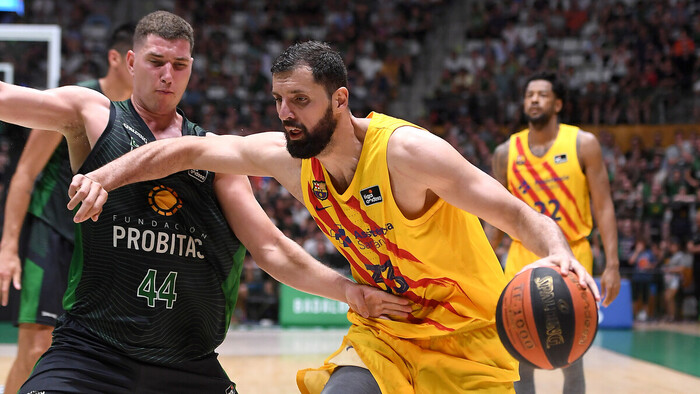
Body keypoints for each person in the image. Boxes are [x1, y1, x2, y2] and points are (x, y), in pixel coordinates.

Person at [68, 41, 599, 393]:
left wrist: (558, 253)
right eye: (279, 100)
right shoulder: (289, 161)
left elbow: (517, 213)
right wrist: (105, 176)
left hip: (469, 339)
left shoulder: (409, 154)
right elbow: (185, 152)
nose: (285, 114)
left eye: (300, 100)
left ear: (339, 100)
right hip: (385, 335)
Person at [0, 13, 408, 393]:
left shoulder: (215, 154)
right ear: (130, 61)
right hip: (90, 352)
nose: (166, 75)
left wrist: (349, 291)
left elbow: (267, 247)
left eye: (179, 66)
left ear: (192, 68)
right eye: (156, 61)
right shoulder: (92, 113)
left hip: (186, 363)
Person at [0, 23, 135, 394]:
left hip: (97, 242)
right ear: (118, 58)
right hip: (51, 232)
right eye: (137, 58)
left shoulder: (136, 115)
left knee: (100, 354)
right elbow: (25, 175)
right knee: (36, 348)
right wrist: (9, 248)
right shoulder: (75, 101)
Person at [490, 71, 621, 394]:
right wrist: (483, 259)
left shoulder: (583, 144)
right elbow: (495, 215)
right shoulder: (506, 152)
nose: (534, 99)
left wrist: (613, 264)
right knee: (518, 351)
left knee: (572, 351)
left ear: (558, 103)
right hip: (521, 255)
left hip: (572, 254)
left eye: (543, 94)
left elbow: (603, 206)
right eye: (529, 94)